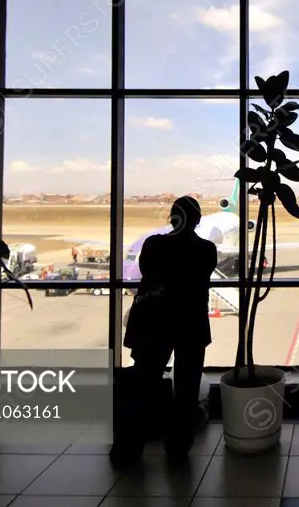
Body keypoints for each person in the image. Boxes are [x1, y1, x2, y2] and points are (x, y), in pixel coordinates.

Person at [113, 196, 217, 467]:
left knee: (143, 385)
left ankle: (130, 446)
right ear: (198, 221)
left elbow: (148, 272)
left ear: (171, 219)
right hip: (190, 325)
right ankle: (178, 449)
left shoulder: (153, 245)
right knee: (186, 390)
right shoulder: (206, 249)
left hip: (153, 324)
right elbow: (201, 276)